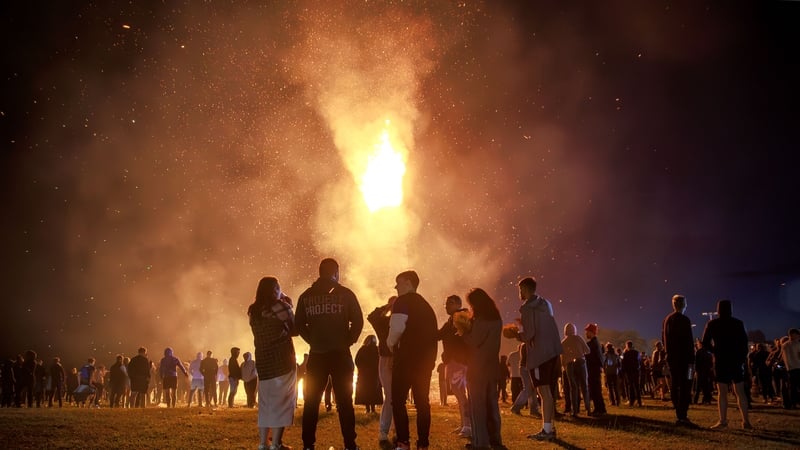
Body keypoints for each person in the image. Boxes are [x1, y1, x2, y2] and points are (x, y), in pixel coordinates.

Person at [295, 258, 363, 450]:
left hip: (317, 355)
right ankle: (350, 443)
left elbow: (299, 324)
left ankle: (308, 444)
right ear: (336, 273)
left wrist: (313, 340)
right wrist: (347, 340)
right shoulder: (346, 294)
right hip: (341, 355)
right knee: (344, 401)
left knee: (311, 401)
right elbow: (357, 321)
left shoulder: (306, 296)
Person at [387, 270, 438, 450]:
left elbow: (396, 329)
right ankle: (423, 443)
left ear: (408, 283)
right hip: (424, 363)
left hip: (405, 360)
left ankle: (403, 441)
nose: (396, 286)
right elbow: (433, 336)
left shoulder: (402, 302)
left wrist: (390, 344)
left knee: (398, 401)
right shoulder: (427, 306)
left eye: (398, 282)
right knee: (422, 403)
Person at [249, 276, 298, 450]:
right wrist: (289, 305)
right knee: (282, 402)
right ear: (275, 289)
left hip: (263, 362)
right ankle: (276, 444)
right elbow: (295, 329)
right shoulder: (280, 306)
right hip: (282, 360)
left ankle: (263, 443)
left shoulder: (253, 310)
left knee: (266, 404)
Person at [458, 288, 506, 450]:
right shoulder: (496, 318)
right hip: (492, 366)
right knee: (492, 405)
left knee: (477, 407)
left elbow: (474, 340)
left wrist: (463, 332)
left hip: (477, 367)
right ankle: (495, 440)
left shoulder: (482, 319)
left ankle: (480, 442)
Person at [517, 277, 562, 441]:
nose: (519, 293)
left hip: (538, 354)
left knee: (543, 392)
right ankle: (550, 427)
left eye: (520, 289)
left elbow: (529, 334)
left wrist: (516, 334)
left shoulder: (527, 308)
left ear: (526, 289)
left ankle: (547, 430)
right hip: (552, 352)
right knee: (548, 391)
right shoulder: (546, 303)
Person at [701, 299, 752, 429]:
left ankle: (723, 420)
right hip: (735, 360)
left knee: (722, 392)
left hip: (721, 360)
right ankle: (745, 421)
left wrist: (715, 352)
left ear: (718, 310)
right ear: (731, 309)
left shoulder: (712, 324)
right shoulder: (738, 323)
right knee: (740, 391)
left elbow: (705, 343)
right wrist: (741, 358)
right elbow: (744, 343)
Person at [437, 294, 472, 438]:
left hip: (459, 361)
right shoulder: (451, 320)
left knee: (461, 394)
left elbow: (462, 338)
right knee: (459, 394)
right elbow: (439, 335)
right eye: (446, 303)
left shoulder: (461, 317)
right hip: (454, 361)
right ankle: (464, 423)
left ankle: (468, 425)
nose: (446, 306)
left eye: (450, 303)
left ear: (458, 303)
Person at [367, 296, 396, 449]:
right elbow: (371, 316)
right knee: (391, 396)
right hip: (386, 359)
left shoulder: (404, 320)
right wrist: (388, 306)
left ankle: (396, 430)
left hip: (400, 360)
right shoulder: (383, 322)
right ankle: (384, 431)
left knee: (398, 396)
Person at [662, 294, 695, 426]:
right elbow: (688, 342)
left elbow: (665, 339)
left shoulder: (667, 320)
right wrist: (692, 359)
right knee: (687, 384)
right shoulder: (685, 320)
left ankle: (678, 410)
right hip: (686, 361)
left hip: (673, 359)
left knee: (675, 384)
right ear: (684, 305)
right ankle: (683, 414)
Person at [560, 323, 590, 416]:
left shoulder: (563, 342)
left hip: (570, 365)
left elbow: (562, 358)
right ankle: (588, 408)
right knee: (584, 386)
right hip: (581, 363)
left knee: (573, 388)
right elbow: (588, 350)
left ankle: (575, 411)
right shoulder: (578, 338)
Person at [354, 335, 382, 414]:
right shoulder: (376, 349)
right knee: (372, 391)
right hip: (373, 374)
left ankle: (369, 409)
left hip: (366, 375)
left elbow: (357, 361)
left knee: (366, 391)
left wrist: (362, 368)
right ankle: (371, 409)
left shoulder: (363, 349)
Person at [584, 323, 607, 416]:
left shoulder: (591, 344)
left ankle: (600, 409)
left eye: (587, 331)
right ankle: (600, 408)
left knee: (595, 390)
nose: (586, 333)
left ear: (591, 332)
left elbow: (590, 357)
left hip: (593, 370)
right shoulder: (596, 342)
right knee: (595, 390)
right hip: (595, 369)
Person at [621, 341, 642, 407]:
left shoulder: (626, 353)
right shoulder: (637, 353)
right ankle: (639, 401)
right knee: (637, 386)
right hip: (636, 371)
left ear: (627, 346)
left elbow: (623, 363)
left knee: (630, 386)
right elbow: (640, 361)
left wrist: (623, 372)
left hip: (629, 372)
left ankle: (631, 401)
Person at [783, 328, 800, 409]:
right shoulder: (797, 344)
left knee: (792, 387)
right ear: (794, 334)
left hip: (789, 369)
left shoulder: (784, 345)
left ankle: (793, 403)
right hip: (798, 367)